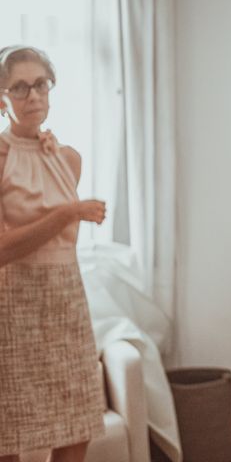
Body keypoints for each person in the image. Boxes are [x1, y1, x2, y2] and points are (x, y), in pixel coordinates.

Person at [0, 46, 107, 462]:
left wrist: (69, 214)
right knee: (10, 434)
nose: (33, 96)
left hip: (66, 299)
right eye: (20, 87)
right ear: (2, 97)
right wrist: (67, 212)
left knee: (76, 425)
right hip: (14, 304)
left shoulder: (67, 158)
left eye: (41, 84)